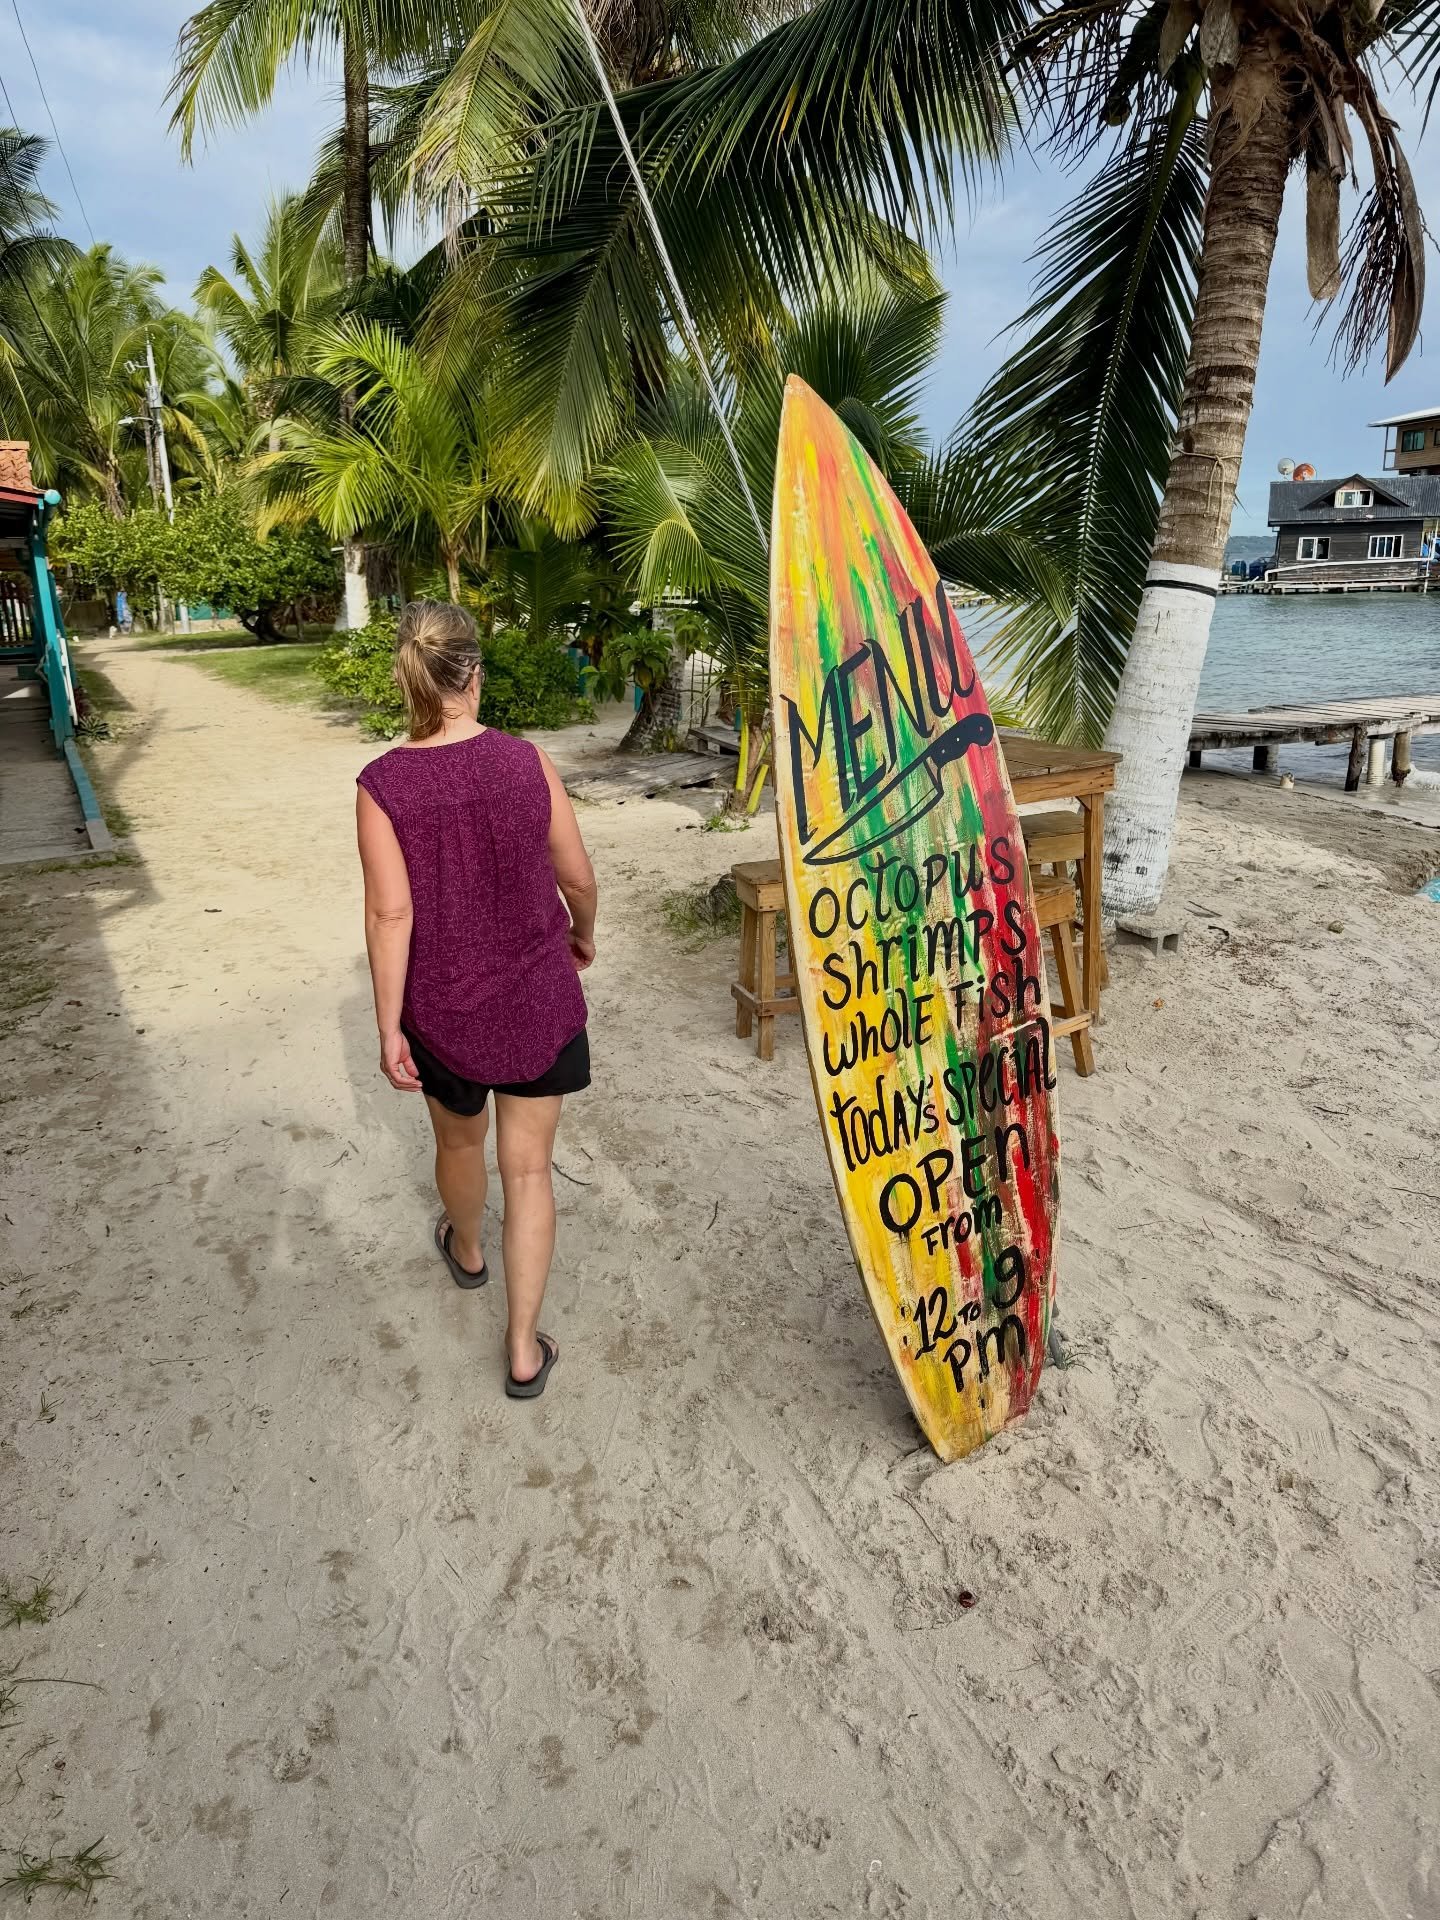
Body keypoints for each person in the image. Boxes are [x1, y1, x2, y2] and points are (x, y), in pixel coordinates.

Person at [355, 600, 597, 1398]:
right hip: (537, 998)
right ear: (474, 676)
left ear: (409, 680)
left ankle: (466, 1251)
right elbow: (577, 878)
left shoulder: (382, 785)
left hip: (443, 1011)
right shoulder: (527, 762)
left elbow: (391, 915)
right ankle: (523, 1349)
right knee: (529, 1173)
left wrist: (388, 1027)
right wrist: (583, 934)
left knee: (460, 1147)